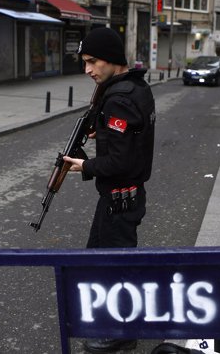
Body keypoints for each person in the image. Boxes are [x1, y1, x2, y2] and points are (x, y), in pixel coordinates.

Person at [63, 27, 155, 354]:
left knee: (117, 266)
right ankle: (109, 318)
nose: (88, 69)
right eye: (85, 62)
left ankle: (122, 333)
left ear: (113, 60)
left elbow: (119, 160)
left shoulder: (119, 97)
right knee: (98, 259)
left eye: (93, 61)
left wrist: (84, 166)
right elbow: (127, 142)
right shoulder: (134, 87)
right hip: (119, 197)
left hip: (121, 197)